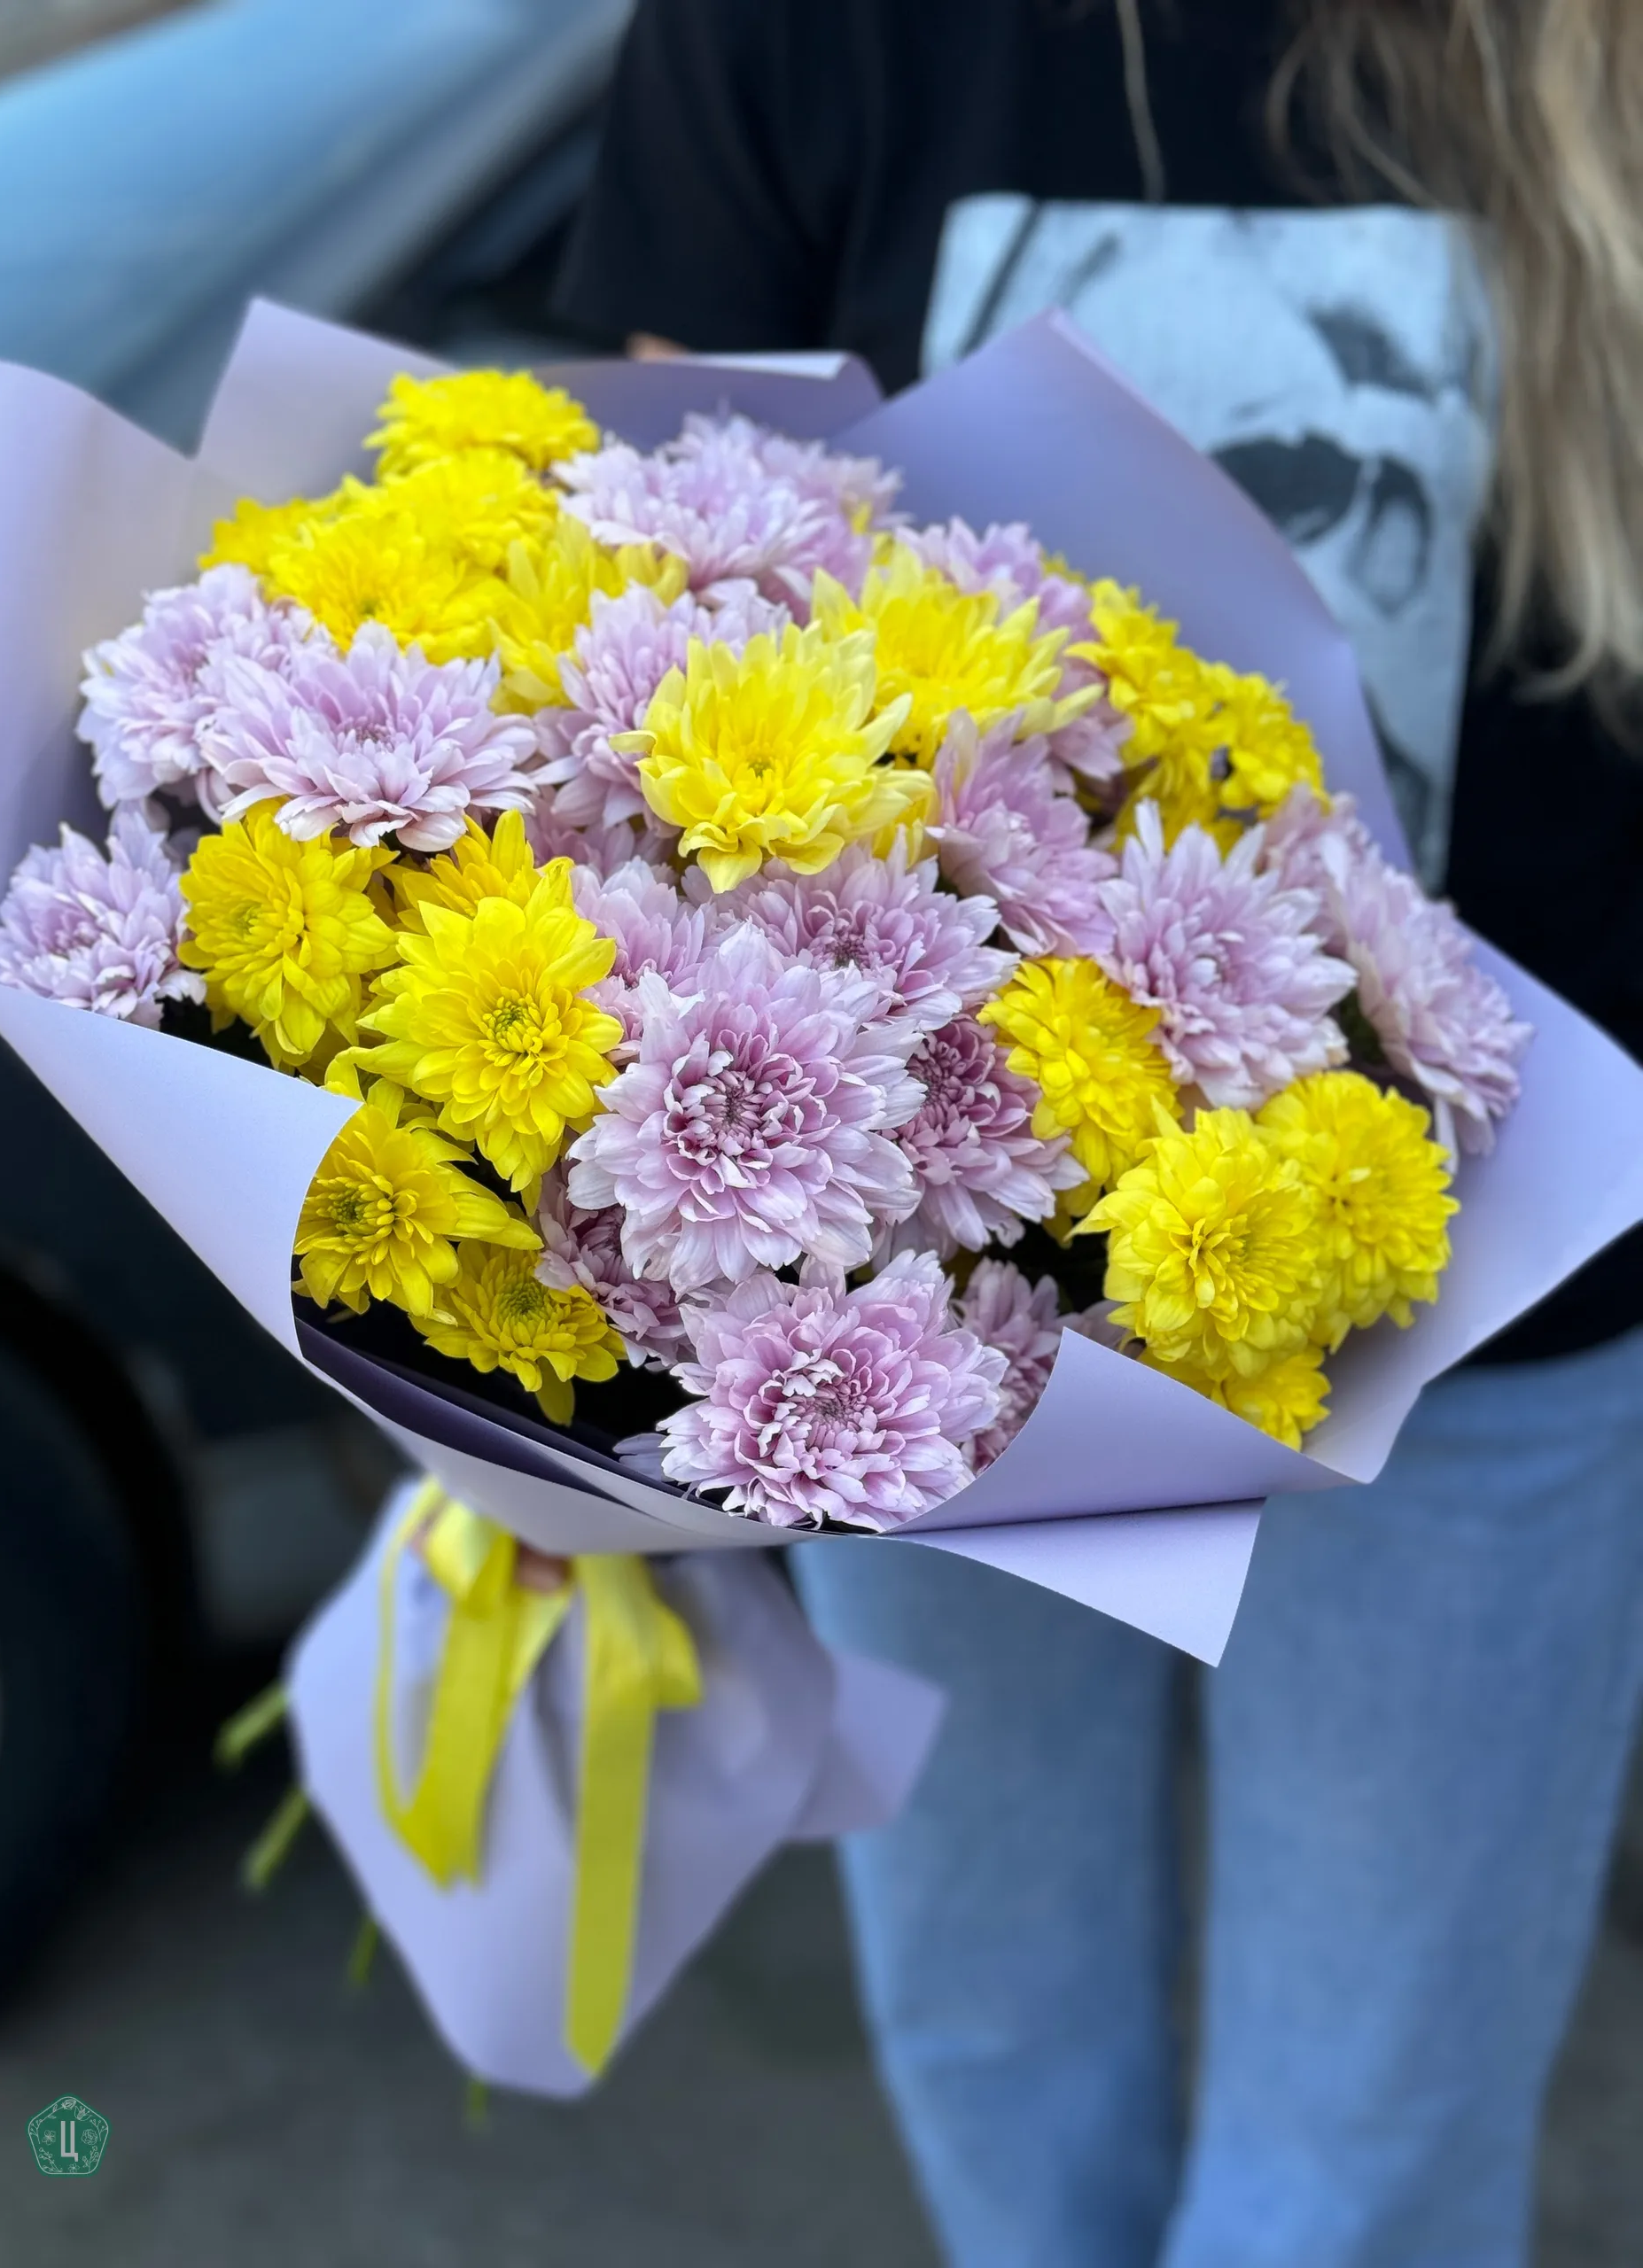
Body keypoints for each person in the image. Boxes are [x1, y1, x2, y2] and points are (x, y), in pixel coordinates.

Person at [554, 6, 1643, 2263]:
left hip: (1497, 1294)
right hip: (927, 1304)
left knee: (1358, 2171)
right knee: (991, 2041)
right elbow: (650, 630)